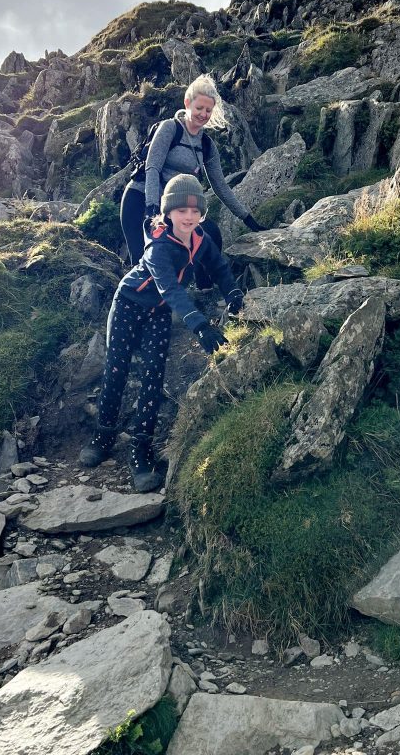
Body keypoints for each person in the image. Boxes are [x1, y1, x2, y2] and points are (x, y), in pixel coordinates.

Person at [79, 173, 244, 492]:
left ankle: (140, 452)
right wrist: (199, 325)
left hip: (157, 313)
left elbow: (220, 267)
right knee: (117, 370)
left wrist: (233, 293)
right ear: (168, 212)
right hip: (129, 303)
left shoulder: (199, 239)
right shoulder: (157, 243)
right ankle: (103, 436)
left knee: (154, 376)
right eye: (182, 210)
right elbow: (170, 288)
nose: (189, 217)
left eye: (196, 211)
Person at [120, 74, 264, 266]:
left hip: (175, 209)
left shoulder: (206, 145)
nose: (203, 114)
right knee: (144, 266)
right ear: (187, 103)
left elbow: (221, 187)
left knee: (211, 236)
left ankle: (204, 291)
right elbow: (152, 168)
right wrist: (152, 211)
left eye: (208, 110)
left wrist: (248, 219)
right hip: (140, 200)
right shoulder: (170, 128)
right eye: (199, 108)